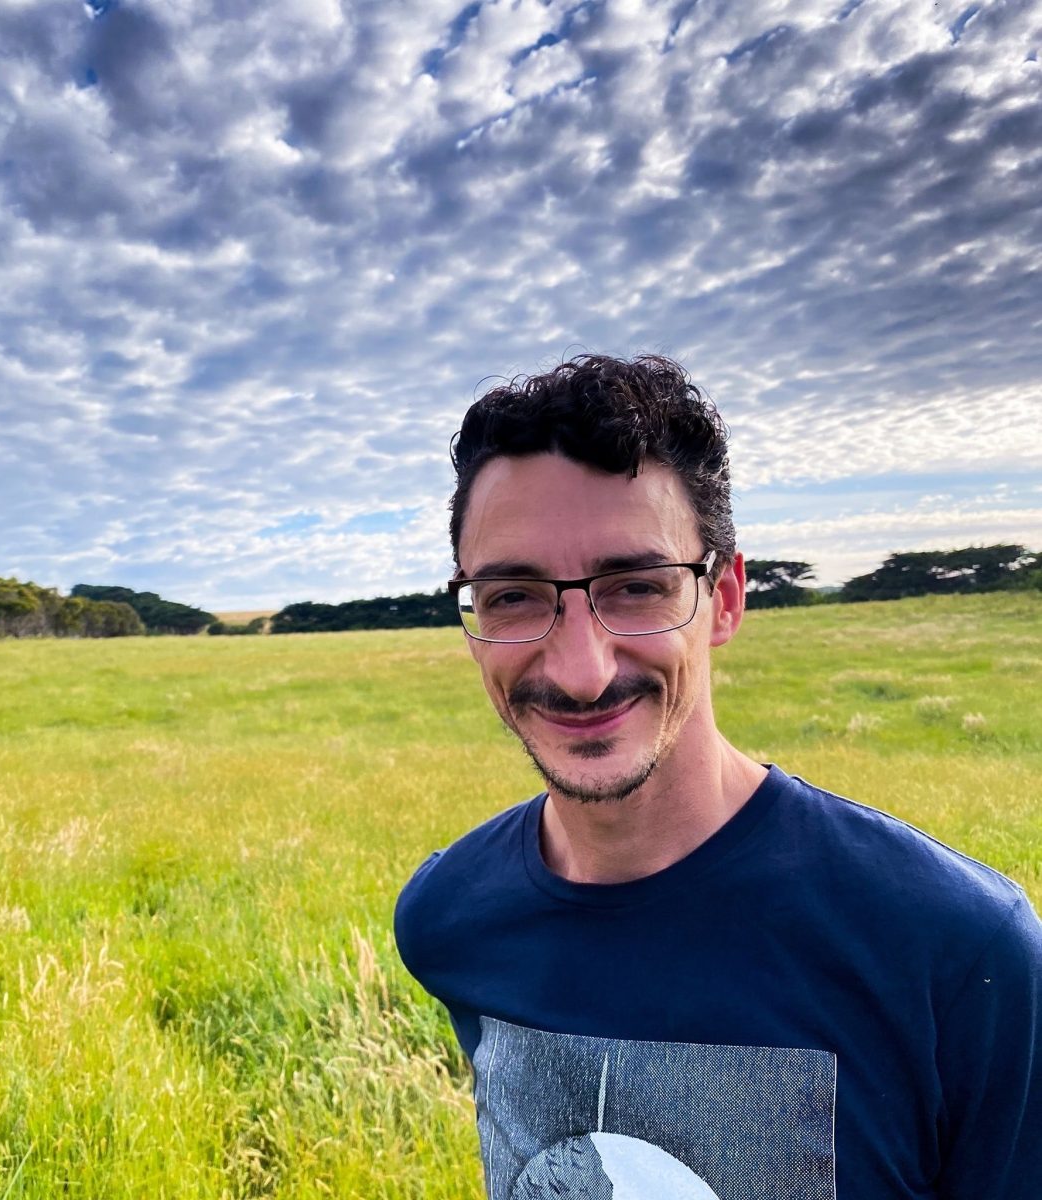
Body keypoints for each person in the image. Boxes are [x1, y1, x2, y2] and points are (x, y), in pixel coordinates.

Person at [394, 353, 1042, 1199]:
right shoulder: (449, 920)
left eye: (636, 587)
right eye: (514, 596)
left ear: (726, 597)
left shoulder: (957, 952)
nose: (583, 671)